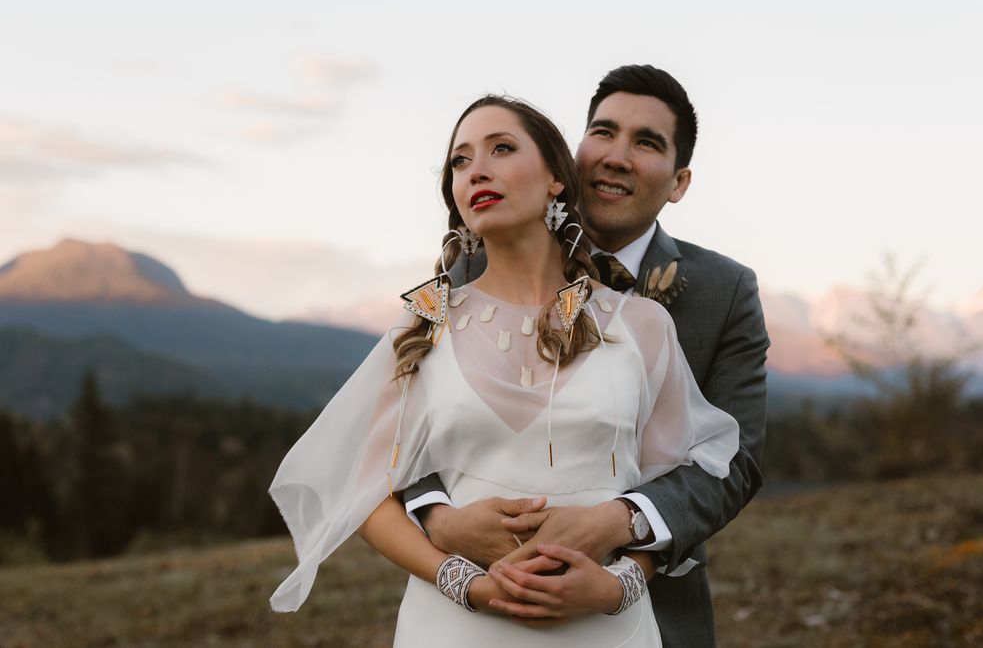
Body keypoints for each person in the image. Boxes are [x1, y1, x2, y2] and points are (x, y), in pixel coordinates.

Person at [268, 94, 740, 647]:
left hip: (604, 630)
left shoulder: (641, 324)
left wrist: (620, 586)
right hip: (453, 628)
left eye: (501, 148)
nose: (477, 170)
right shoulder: (425, 320)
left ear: (556, 179)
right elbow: (367, 490)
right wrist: (466, 582)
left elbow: (680, 472)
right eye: (460, 161)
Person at [403, 65, 770, 648]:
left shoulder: (724, 291)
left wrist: (618, 525)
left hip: (644, 610)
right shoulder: (474, 266)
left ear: (679, 182)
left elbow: (735, 460)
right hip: (477, 604)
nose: (616, 156)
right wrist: (443, 521)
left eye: (646, 143)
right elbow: (412, 429)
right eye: (602, 132)